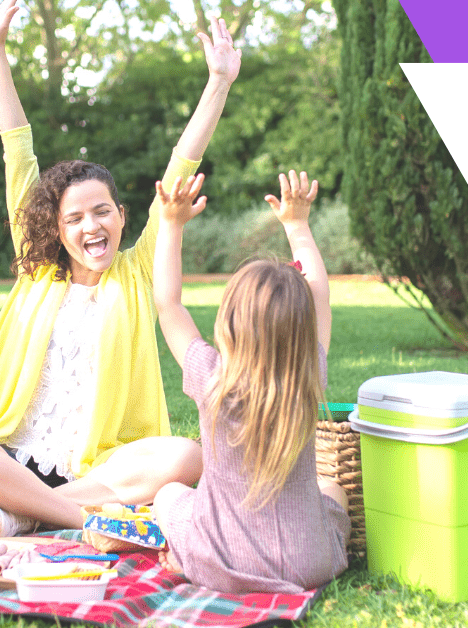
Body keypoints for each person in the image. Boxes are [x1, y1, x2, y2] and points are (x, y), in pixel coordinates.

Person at [0, 0, 240, 537]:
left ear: (123, 217)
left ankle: (19, 514)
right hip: (12, 455)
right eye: (74, 217)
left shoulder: (137, 272)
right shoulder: (39, 271)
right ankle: (78, 519)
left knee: (184, 457)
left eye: (102, 211)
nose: (90, 226)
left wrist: (218, 81)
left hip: (97, 469)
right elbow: (17, 148)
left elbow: (182, 165)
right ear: (56, 230)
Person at [150, 170, 349, 594]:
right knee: (331, 487)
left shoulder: (211, 377)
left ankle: (179, 554)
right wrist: (297, 225)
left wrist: (171, 225)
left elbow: (168, 306)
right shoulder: (307, 373)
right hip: (306, 563)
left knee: (168, 495)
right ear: (303, 328)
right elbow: (320, 296)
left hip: (218, 561)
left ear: (230, 322)